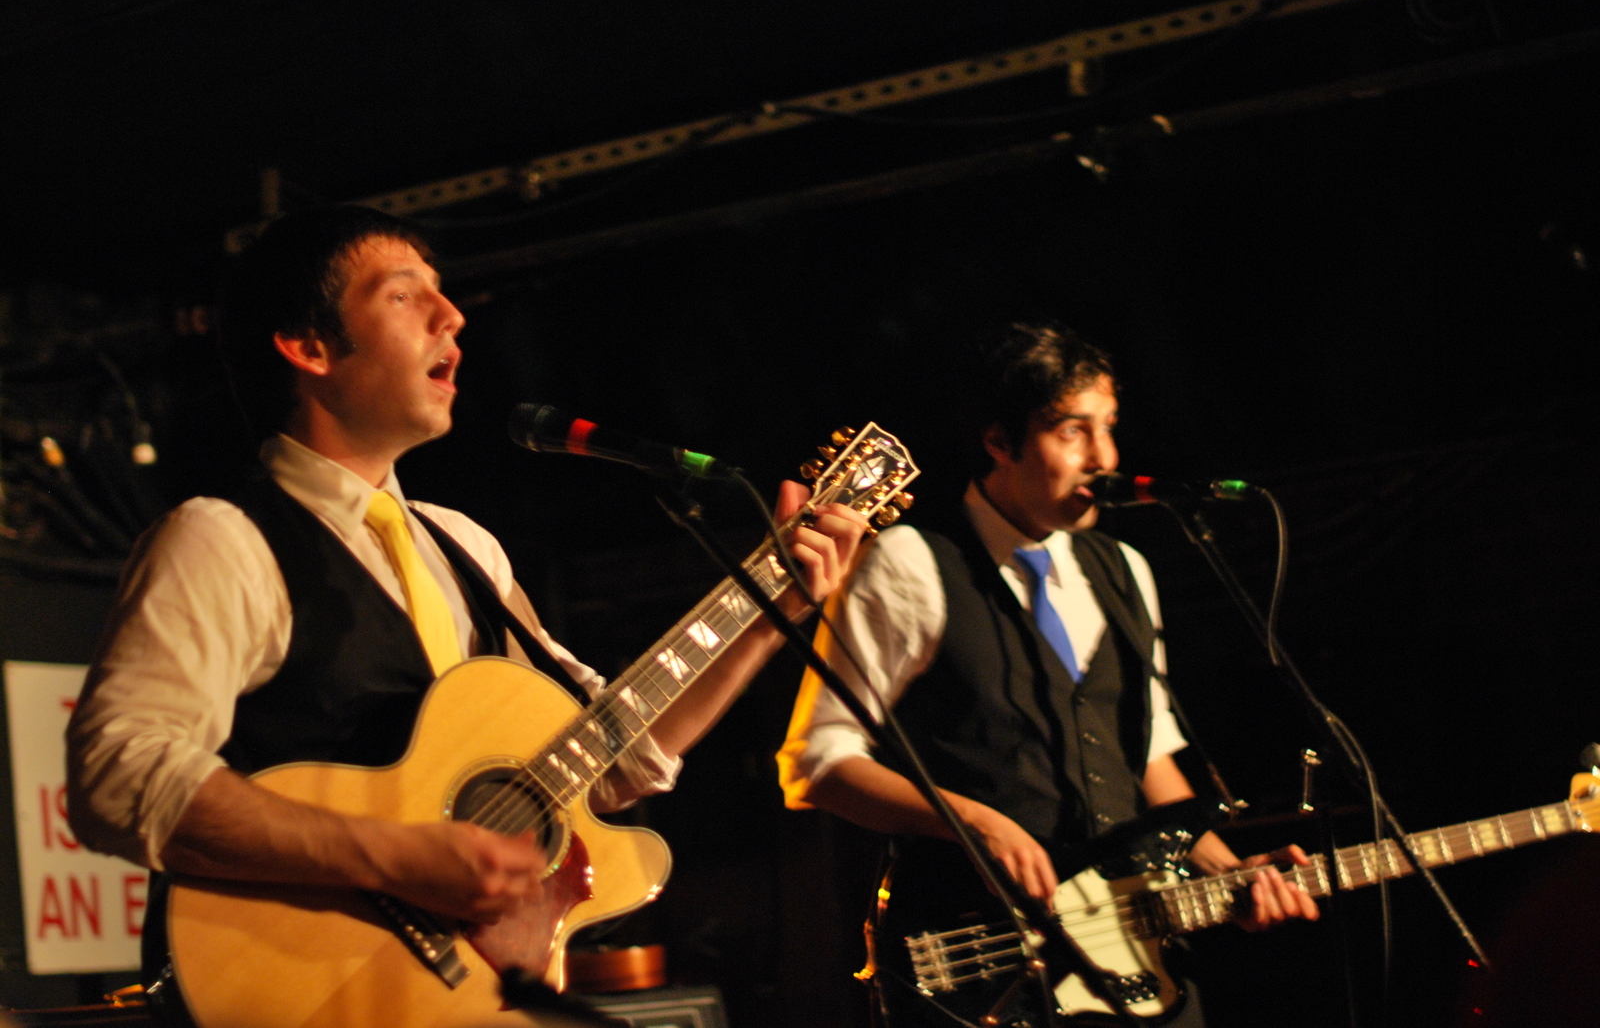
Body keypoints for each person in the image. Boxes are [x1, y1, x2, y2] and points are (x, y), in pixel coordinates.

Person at [65, 206, 865, 970]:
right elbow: (120, 772)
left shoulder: (464, 547)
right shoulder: (225, 539)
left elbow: (608, 756)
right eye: (404, 294)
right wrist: (392, 855)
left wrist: (773, 609)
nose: (451, 315)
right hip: (299, 986)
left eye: (442, 293)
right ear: (310, 346)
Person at [776, 322, 1315, 1027]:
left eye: (1107, 427)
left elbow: (1146, 760)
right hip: (985, 963)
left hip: (1132, 962)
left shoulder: (1124, 571)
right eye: (1072, 431)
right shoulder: (912, 562)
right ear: (1000, 442)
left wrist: (1227, 867)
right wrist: (975, 823)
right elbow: (815, 763)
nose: (1104, 457)